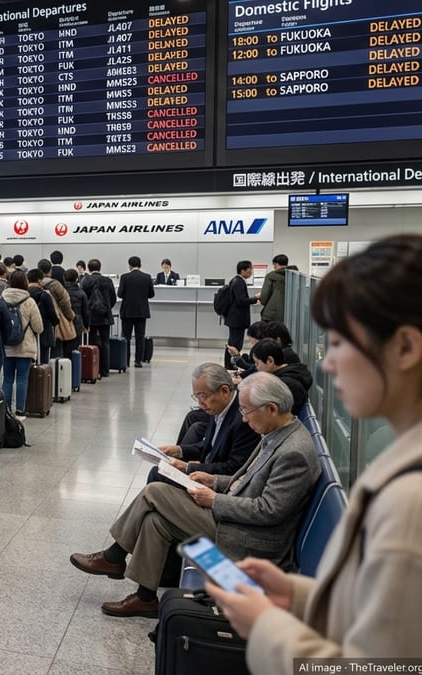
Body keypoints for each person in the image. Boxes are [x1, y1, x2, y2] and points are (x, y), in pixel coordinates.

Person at [206, 235, 422, 669]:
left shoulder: (409, 503)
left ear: (404, 347)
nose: (328, 363)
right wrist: (302, 596)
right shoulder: (399, 465)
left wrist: (265, 624)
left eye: (340, 343)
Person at [71, 373, 320, 618]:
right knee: (155, 521)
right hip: (238, 521)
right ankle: (145, 598)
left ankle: (114, 556)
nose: (243, 418)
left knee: (154, 492)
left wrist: (214, 499)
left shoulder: (293, 452)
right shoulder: (277, 434)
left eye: (246, 411)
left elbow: (268, 511)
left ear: (271, 408)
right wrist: (214, 481)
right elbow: (247, 480)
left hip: (250, 539)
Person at [152, 363, 261, 485]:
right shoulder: (219, 407)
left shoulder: (243, 419)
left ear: (224, 390)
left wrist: (189, 467)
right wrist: (178, 450)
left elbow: (234, 468)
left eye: (203, 397)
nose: (200, 404)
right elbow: (210, 445)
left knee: (157, 474)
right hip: (207, 468)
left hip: (216, 482)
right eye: (196, 397)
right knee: (160, 470)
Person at [2, 270, 44, 418]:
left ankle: (6, 410)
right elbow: (39, 327)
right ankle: (20, 410)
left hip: (6, 346)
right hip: (25, 347)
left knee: (7, 378)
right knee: (22, 378)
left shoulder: (2, 300)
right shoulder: (29, 301)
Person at [249, 338, 312, 415]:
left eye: (257, 363)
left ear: (270, 361)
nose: (256, 368)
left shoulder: (284, 385)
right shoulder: (291, 375)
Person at [80, 259, 117, 378]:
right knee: (105, 342)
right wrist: (106, 308)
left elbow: (83, 299)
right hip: (104, 315)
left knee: (92, 343)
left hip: (90, 316)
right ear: (100, 268)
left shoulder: (85, 281)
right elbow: (113, 298)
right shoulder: (107, 281)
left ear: (89, 268)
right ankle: (105, 370)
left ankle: (93, 370)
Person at [117, 256, 155, 368]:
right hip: (141, 311)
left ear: (129, 265)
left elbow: (120, 294)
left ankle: (126, 361)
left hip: (127, 311)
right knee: (140, 337)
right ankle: (138, 361)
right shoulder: (147, 277)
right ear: (140, 265)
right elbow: (151, 294)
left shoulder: (124, 277)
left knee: (126, 336)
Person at [223, 260, 260, 368]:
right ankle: (229, 364)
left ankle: (230, 363)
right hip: (237, 318)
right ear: (242, 270)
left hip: (235, 318)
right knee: (234, 343)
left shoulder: (237, 280)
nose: (251, 272)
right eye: (249, 269)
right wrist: (255, 298)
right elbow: (241, 301)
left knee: (234, 342)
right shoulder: (238, 282)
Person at [38, 258, 77, 357]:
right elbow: (65, 301)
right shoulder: (55, 284)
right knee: (56, 347)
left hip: (38, 319)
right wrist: (70, 316)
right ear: (50, 270)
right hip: (55, 319)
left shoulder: (35, 283)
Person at [26, 268, 59, 365]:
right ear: (40, 281)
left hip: (27, 334)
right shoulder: (45, 295)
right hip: (44, 333)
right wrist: (56, 322)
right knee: (43, 363)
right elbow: (52, 315)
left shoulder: (24, 294)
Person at [258, 254, 289, 322]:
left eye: (274, 265)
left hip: (272, 314)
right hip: (289, 314)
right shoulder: (294, 276)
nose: (274, 267)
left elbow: (264, 297)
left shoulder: (271, 276)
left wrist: (260, 297)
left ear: (276, 264)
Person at [63, 268, 88, 348]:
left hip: (63, 322)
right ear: (77, 279)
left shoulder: (61, 292)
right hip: (77, 321)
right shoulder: (81, 293)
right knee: (76, 347)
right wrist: (86, 325)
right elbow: (85, 311)